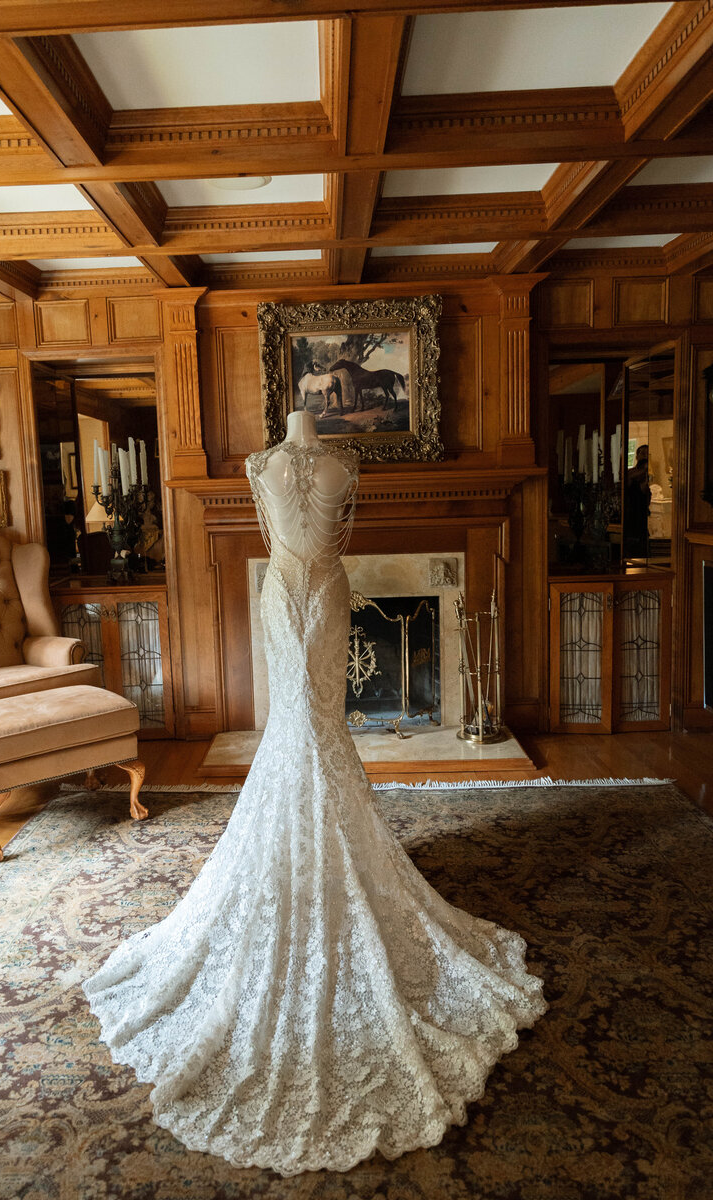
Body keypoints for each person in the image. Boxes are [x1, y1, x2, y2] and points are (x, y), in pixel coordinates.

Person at [83, 411, 547, 1175]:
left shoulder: (332, 461)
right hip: (300, 589)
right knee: (296, 725)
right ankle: (301, 841)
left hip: (320, 591)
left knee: (320, 722)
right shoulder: (272, 461)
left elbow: (315, 531)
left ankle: (335, 841)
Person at [625, 443, 651, 557]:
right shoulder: (631, 473)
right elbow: (630, 479)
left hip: (642, 515)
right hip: (631, 514)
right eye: (642, 453)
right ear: (637, 456)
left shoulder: (647, 474)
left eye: (647, 453)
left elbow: (645, 491)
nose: (645, 456)